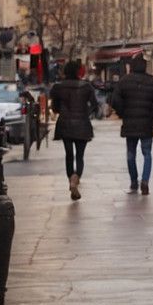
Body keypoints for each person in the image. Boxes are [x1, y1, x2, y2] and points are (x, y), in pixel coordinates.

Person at [109, 56, 153, 195]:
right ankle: (145, 181)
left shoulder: (123, 82)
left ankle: (134, 182)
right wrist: (150, 115)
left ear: (132, 67)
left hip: (130, 123)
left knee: (130, 154)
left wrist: (124, 113)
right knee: (147, 153)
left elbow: (115, 101)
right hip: (146, 124)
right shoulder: (152, 83)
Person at [49, 60, 97, 201]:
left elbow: (55, 107)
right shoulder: (86, 87)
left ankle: (71, 178)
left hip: (65, 124)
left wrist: (62, 111)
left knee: (69, 154)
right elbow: (95, 105)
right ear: (77, 72)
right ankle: (76, 178)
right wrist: (85, 113)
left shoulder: (58, 87)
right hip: (82, 123)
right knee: (80, 156)